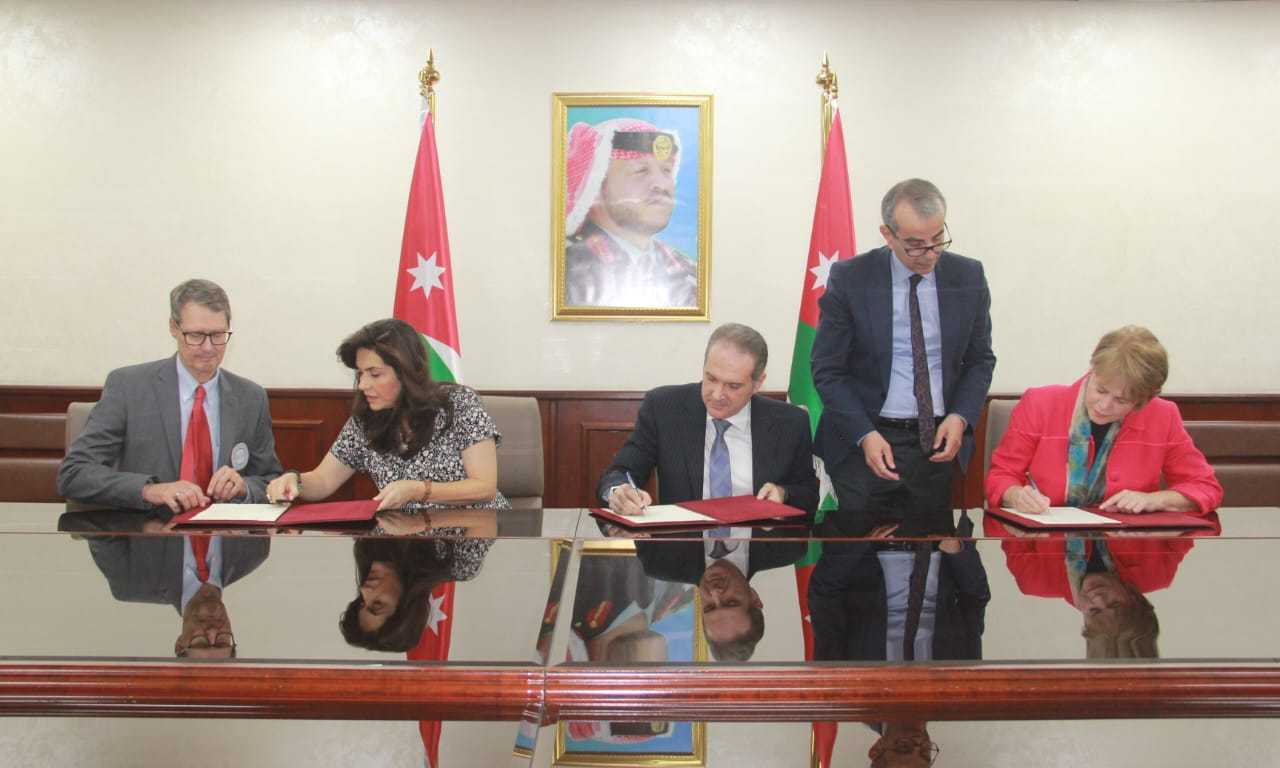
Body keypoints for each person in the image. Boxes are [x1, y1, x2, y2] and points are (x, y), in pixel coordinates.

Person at [811, 178, 995, 537]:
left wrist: (960, 417)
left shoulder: (968, 276)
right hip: (867, 443)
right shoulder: (852, 278)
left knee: (930, 557)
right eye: (915, 244)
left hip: (937, 443)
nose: (930, 253)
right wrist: (864, 434)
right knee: (862, 558)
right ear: (888, 234)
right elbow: (827, 369)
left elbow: (980, 360)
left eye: (938, 238)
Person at [58, 279, 283, 512]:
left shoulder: (250, 398)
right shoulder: (129, 388)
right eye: (196, 335)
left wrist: (244, 487)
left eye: (218, 335)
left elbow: (271, 480)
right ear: (174, 328)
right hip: (146, 529)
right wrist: (150, 490)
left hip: (221, 531)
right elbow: (75, 473)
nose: (208, 347)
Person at [264, 318, 510, 515]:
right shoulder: (364, 420)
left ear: (406, 373)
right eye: (360, 374)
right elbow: (323, 480)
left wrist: (418, 490)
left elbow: (484, 487)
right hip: (405, 543)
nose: (363, 385)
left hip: (476, 535)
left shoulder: (459, 404)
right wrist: (295, 480)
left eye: (375, 374)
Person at [986, 325, 1223, 516]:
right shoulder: (1040, 404)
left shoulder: (1163, 416)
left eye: (1121, 400)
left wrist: (1154, 500)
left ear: (1143, 401)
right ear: (1092, 370)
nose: (1104, 405)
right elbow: (1000, 477)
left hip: (1130, 550)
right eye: (1100, 390)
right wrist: (1016, 495)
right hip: (1045, 548)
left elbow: (1205, 487)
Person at [598, 322, 819, 516]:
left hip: (759, 544)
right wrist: (618, 491)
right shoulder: (663, 408)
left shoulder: (790, 422)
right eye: (711, 379)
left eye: (733, 386)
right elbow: (619, 472)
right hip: (683, 544)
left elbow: (809, 493)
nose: (717, 394)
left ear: (757, 383)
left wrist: (784, 493)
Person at [57, 508, 268, 659]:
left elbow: (80, 521)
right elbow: (261, 482)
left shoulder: (130, 582)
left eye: (202, 642)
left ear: (180, 644)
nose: (212, 631)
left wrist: (144, 525)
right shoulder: (254, 553)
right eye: (222, 641)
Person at [562, 117, 698, 308]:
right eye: (641, 170)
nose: (662, 184)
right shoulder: (565, 271)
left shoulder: (688, 271)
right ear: (595, 183)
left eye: (666, 170)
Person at [633, 527, 806, 661]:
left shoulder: (659, 559)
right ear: (754, 597)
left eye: (709, 607)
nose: (715, 592)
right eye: (730, 602)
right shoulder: (788, 546)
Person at [339, 510, 494, 652]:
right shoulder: (459, 566)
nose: (365, 590)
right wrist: (419, 522)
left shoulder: (364, 538)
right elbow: (488, 518)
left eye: (362, 602)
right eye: (377, 603)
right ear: (406, 606)